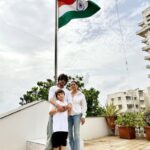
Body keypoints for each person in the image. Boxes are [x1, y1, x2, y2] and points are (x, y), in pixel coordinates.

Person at [45, 74, 72, 150]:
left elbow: (70, 103)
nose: (62, 82)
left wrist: (65, 109)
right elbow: (50, 99)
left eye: (64, 81)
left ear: (66, 82)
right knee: (51, 134)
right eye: (61, 80)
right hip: (53, 113)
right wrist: (58, 106)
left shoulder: (67, 92)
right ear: (58, 80)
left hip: (63, 117)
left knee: (63, 138)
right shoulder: (53, 88)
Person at [68, 81, 87, 150]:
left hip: (77, 115)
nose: (73, 86)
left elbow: (84, 106)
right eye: (71, 85)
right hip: (68, 116)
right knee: (69, 134)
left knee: (76, 134)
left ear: (77, 86)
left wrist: (83, 116)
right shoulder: (68, 94)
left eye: (74, 84)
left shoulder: (81, 95)